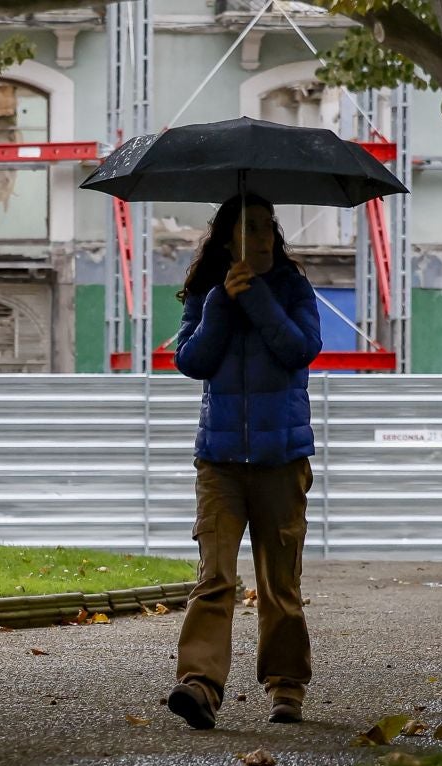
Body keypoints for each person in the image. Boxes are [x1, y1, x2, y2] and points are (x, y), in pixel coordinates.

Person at [164, 193, 322, 731]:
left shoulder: (293, 288)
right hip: (220, 461)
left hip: (282, 459)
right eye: (244, 229)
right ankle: (200, 687)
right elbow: (191, 360)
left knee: (280, 583)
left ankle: (286, 686)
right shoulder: (207, 293)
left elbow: (300, 349)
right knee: (214, 578)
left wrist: (257, 300)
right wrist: (220, 306)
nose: (255, 238)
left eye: (263, 228)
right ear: (225, 238)